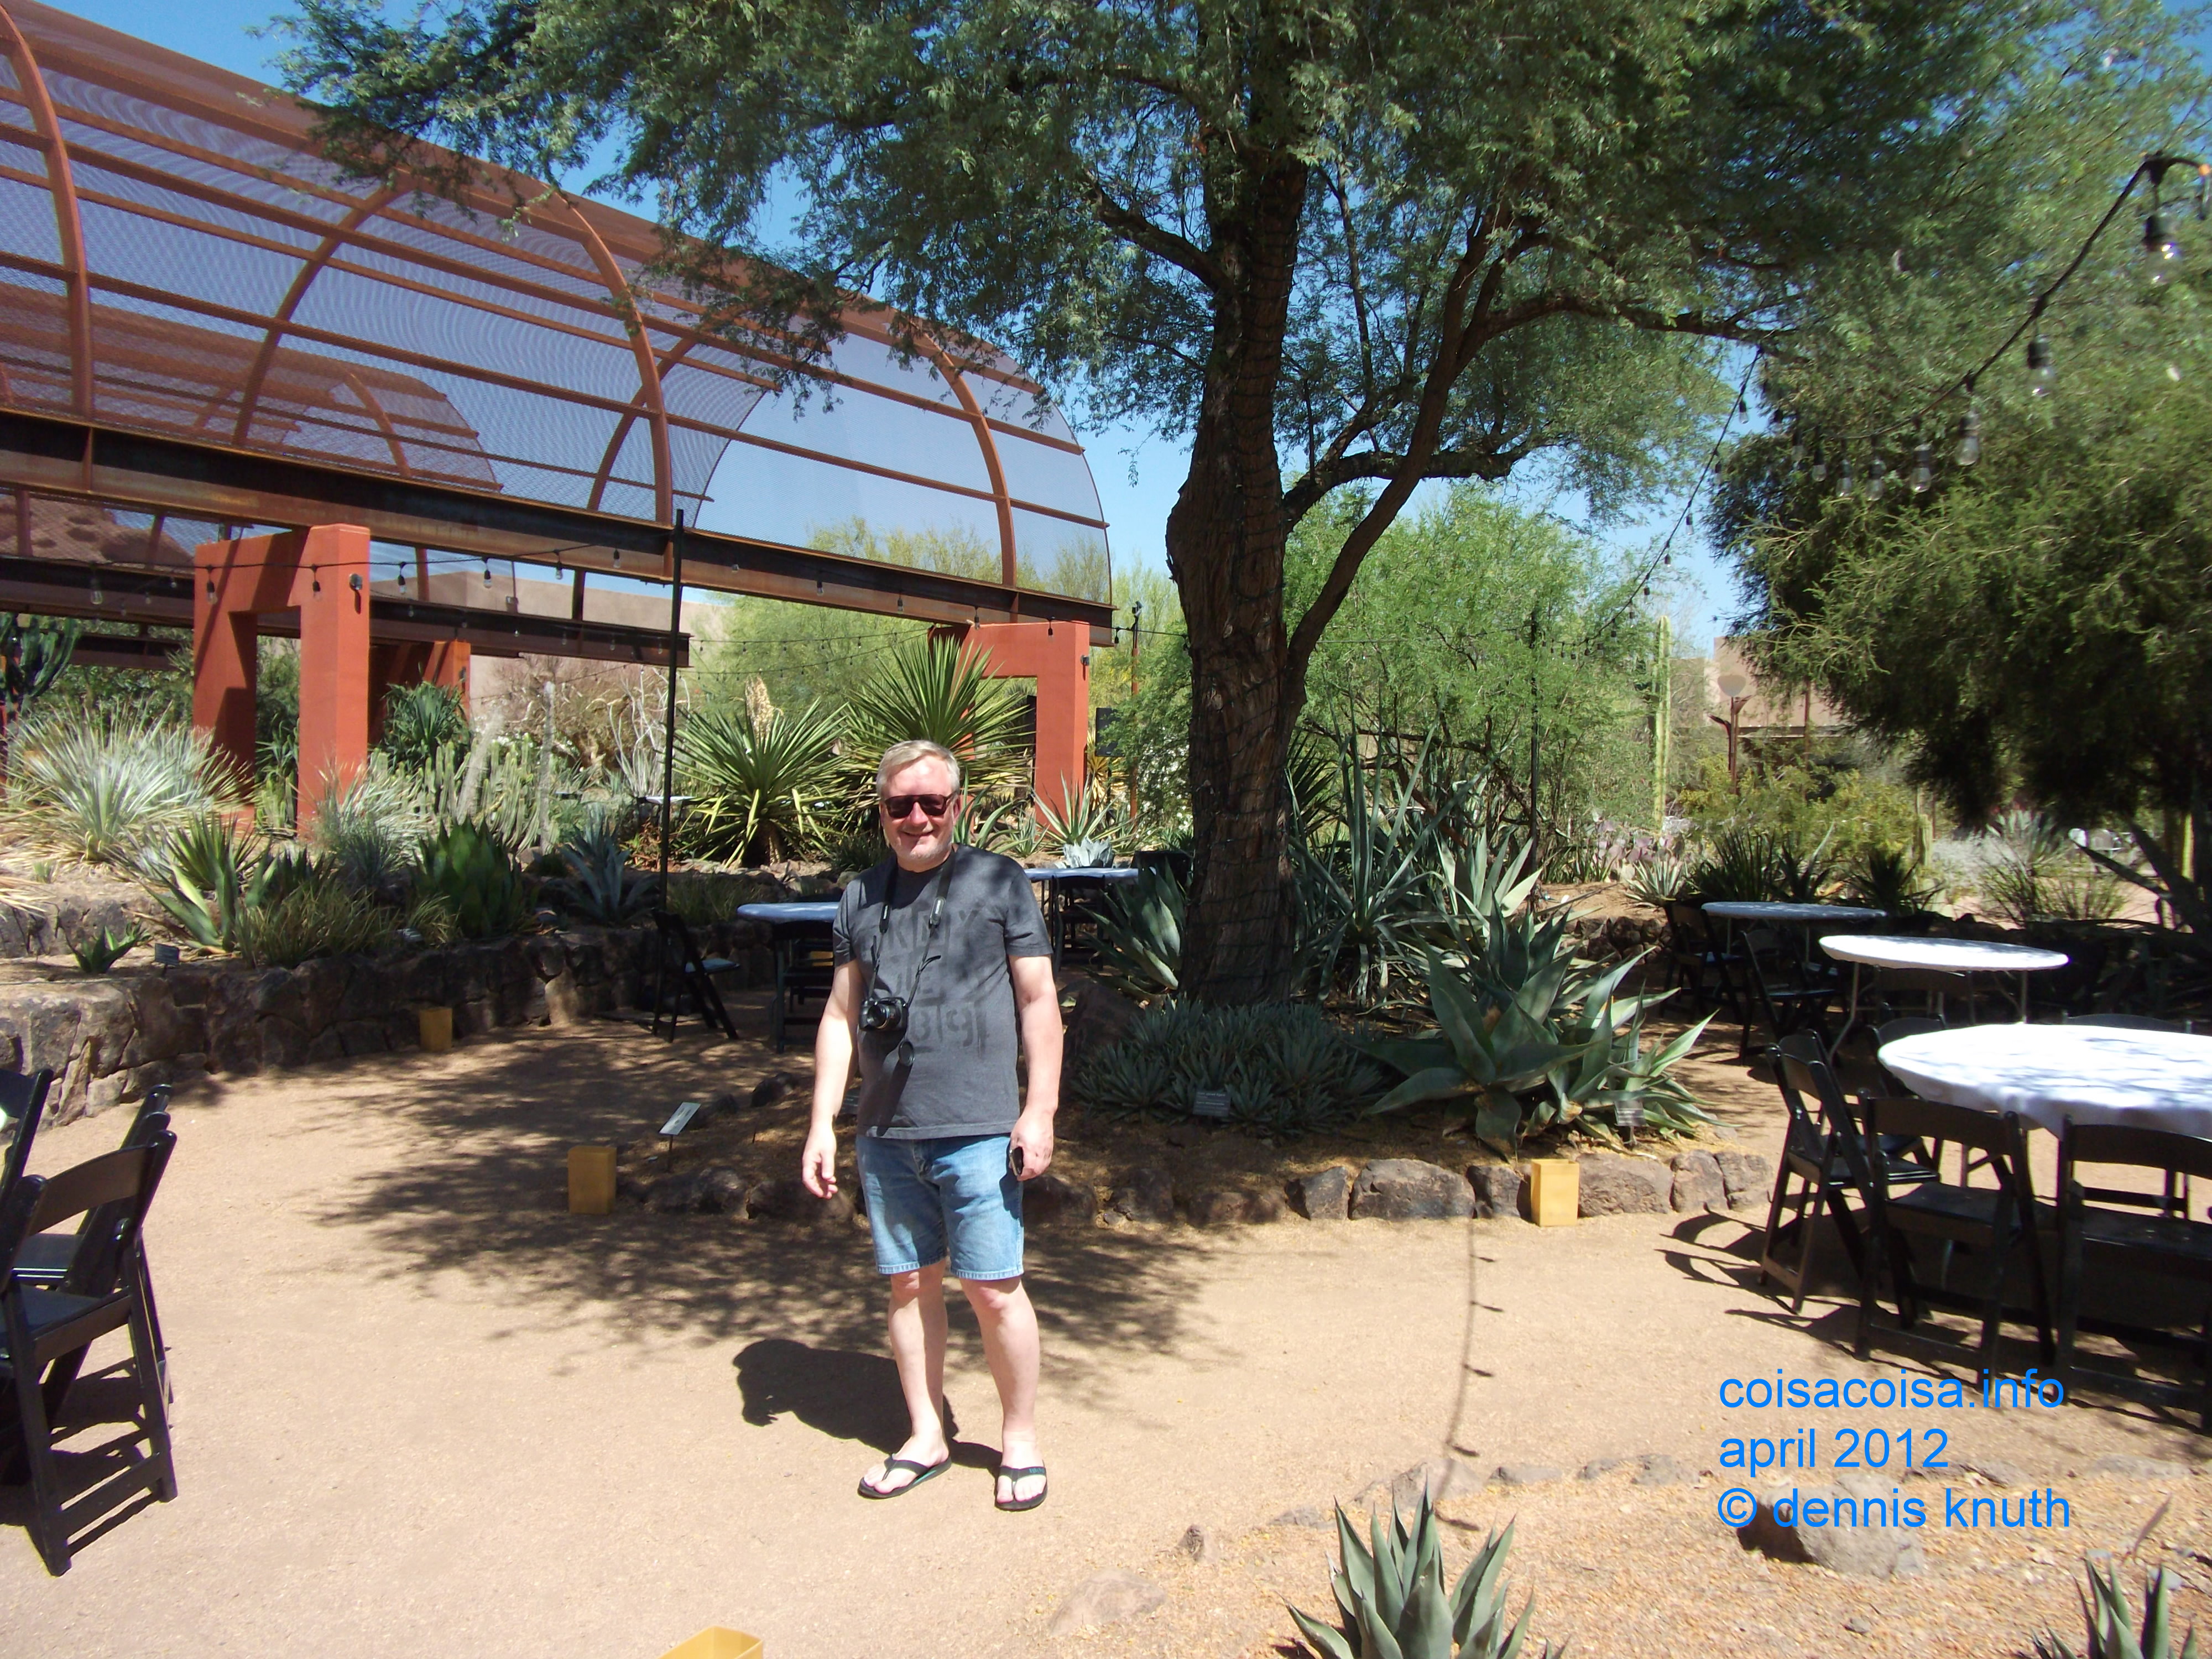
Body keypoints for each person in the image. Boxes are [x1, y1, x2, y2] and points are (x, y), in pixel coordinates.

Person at [801, 738, 1062, 1510]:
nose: (917, 817)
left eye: (932, 803)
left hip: (980, 1127)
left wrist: (1038, 1109)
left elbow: (1040, 1003)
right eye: (900, 804)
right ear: (881, 811)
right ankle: (925, 1435)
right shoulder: (859, 896)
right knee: (909, 1288)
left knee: (993, 1289)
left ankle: (1020, 1439)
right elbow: (841, 1015)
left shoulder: (999, 881)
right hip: (887, 1132)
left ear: (959, 807)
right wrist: (823, 1123)